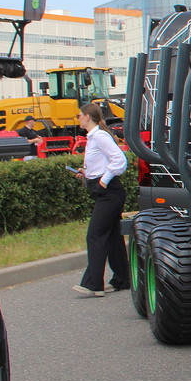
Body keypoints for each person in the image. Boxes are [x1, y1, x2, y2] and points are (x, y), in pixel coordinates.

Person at [72, 103, 131, 297]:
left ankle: (93, 284)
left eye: (79, 115)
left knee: (95, 235)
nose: (78, 118)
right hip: (108, 193)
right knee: (113, 237)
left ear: (88, 117)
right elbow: (104, 163)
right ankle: (123, 279)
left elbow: (120, 161)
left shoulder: (99, 136)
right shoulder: (95, 137)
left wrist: (103, 181)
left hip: (109, 194)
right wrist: (86, 173)